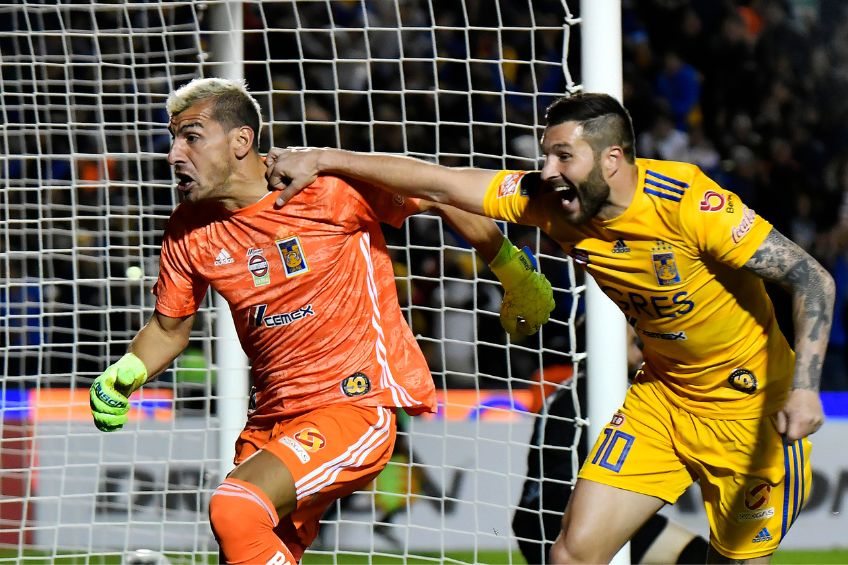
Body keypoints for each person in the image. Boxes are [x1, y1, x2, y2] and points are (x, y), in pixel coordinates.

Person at [264, 91, 835, 563]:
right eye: (544, 156)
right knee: (572, 555)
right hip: (662, 400)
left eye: (564, 156)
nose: (546, 171)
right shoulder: (551, 202)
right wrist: (323, 157)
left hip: (752, 411)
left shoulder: (692, 207)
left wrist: (806, 389)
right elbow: (438, 184)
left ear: (612, 159)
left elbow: (812, 279)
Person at [87, 77, 554, 565]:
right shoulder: (189, 229)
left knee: (236, 508)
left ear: (241, 141)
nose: (174, 154)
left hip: (353, 404)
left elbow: (438, 195)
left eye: (192, 136)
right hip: (270, 421)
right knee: (250, 543)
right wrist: (125, 374)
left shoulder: (324, 188)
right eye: (173, 139)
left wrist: (513, 271)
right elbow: (167, 330)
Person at [513, 324, 709, 564]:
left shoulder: (567, 391)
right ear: (606, 344)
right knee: (694, 554)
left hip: (534, 513)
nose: (640, 354)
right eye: (634, 344)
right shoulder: (613, 397)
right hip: (570, 510)